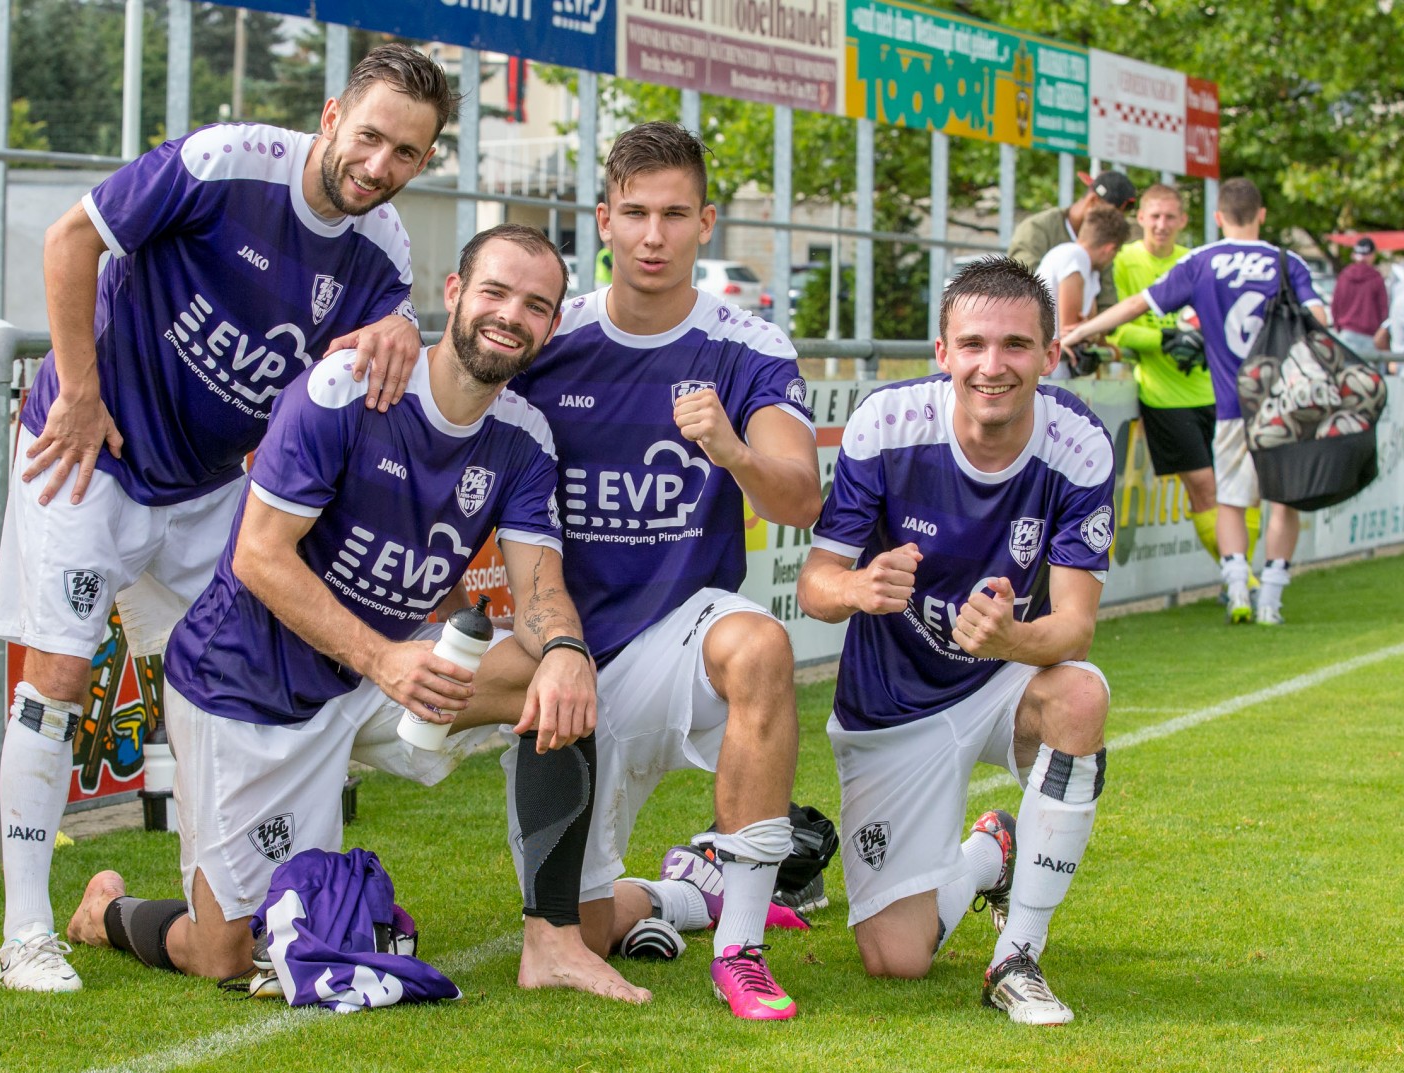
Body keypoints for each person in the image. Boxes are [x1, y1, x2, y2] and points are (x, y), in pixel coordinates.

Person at [63, 224, 649, 1004]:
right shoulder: (346, 389)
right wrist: (384, 658)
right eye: (496, 293)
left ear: (548, 327)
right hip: (248, 684)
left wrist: (569, 645)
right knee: (227, 953)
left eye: (537, 306)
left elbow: (539, 588)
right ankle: (106, 912)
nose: (512, 316)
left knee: (558, 680)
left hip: (375, 676)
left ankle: (552, 939)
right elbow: (258, 556)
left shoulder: (525, 437)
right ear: (454, 295)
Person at [0, 44, 456, 992]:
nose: (379, 166)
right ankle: (24, 932)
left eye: (407, 154)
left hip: (207, 490)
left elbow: (375, 362)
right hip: (90, 450)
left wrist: (404, 326)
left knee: (247, 672)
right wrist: (77, 389)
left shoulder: (385, 251)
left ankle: (234, 908)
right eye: (370, 137)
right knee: (60, 674)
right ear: (331, 116)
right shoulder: (225, 162)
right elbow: (69, 238)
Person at [503, 121, 822, 1020]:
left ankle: (742, 948)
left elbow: (799, 498)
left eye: (675, 214)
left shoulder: (744, 346)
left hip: (677, 641)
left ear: (706, 222)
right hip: (562, 660)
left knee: (761, 644)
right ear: (602, 219)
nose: (654, 235)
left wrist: (732, 450)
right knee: (590, 925)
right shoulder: (545, 339)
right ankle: (688, 889)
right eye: (635, 213)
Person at [796, 256, 1116, 1026]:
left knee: (1081, 691)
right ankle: (988, 854)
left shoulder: (1079, 443)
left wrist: (1012, 637)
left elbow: (1074, 626)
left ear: (1047, 353)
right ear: (942, 353)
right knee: (894, 959)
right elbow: (815, 585)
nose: (992, 365)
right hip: (891, 702)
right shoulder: (887, 423)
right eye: (972, 344)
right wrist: (859, 587)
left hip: (1000, 677)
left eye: (1014, 345)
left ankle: (1017, 956)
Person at [1065, 178, 1329, 626]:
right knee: (1281, 502)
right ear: (1261, 215)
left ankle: (1235, 585)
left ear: (1219, 217)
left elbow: (1135, 306)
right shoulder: (1287, 261)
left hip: (1230, 404)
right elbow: (1321, 322)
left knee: (1228, 500)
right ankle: (1271, 597)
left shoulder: (1202, 261)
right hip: (1281, 404)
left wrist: (1079, 332)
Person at [1106, 184, 1231, 569]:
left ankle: (1239, 573)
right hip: (1164, 397)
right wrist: (1164, 337)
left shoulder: (1194, 261)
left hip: (1214, 392)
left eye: (1169, 217)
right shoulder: (1123, 261)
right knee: (1206, 488)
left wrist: (1203, 337)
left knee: (1234, 490)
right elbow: (1115, 330)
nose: (1161, 225)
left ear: (1183, 222)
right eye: (1154, 216)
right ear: (1140, 218)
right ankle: (1239, 578)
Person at [1008, 170, 1137, 276]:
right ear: (1093, 201)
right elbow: (1022, 285)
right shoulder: (1036, 229)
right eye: (1112, 215)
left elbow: (1106, 300)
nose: (1115, 224)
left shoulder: (1103, 244)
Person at [1033, 202, 1130, 338]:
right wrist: (1087, 332)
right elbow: (1070, 330)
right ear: (1109, 249)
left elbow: (1091, 328)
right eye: (1116, 253)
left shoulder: (1092, 271)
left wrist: (1089, 332)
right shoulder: (1075, 256)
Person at [1332, 236, 1388, 358]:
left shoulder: (1344, 276)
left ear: (1354, 254)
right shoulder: (1376, 278)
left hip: (1346, 334)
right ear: (1372, 255)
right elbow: (1383, 309)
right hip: (1369, 336)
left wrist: (1338, 327)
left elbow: (1335, 305)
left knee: (1347, 374)